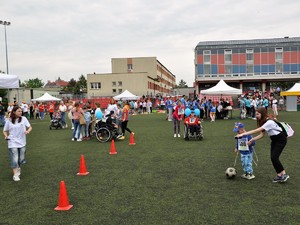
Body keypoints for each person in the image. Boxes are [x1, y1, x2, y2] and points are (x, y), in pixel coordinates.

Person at [235, 107, 289, 183]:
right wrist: (252, 139)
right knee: (273, 157)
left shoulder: (269, 122)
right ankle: (280, 175)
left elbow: (255, 131)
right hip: (275, 140)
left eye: (257, 114)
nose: (256, 115)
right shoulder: (264, 122)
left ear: (262, 114)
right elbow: (262, 135)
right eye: (256, 114)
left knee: (274, 157)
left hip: (281, 140)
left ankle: (283, 174)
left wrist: (243, 134)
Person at [3, 106, 32, 181]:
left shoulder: (23, 119)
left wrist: (28, 131)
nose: (21, 112)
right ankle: (15, 175)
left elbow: (30, 127)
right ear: (14, 112)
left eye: (21, 111)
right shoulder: (9, 120)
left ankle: (18, 167)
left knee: (21, 158)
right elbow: (5, 130)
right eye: (19, 111)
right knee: (14, 158)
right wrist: (6, 136)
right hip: (12, 142)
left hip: (22, 142)